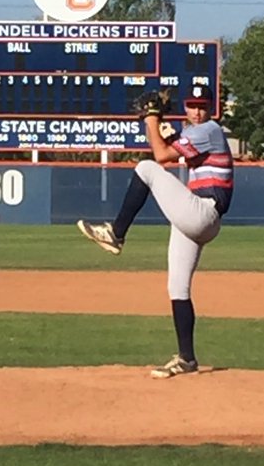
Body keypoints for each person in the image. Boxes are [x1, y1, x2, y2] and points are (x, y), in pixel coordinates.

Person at [77, 83, 234, 378]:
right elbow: (171, 143)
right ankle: (187, 358)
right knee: (177, 287)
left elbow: (161, 156)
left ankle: (116, 233)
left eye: (202, 106)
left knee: (147, 168)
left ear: (212, 109)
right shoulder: (194, 135)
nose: (197, 111)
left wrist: (151, 118)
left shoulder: (209, 129)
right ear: (186, 107)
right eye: (192, 105)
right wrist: (156, 122)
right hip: (197, 218)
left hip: (203, 212)